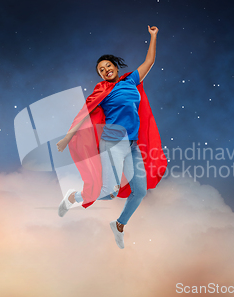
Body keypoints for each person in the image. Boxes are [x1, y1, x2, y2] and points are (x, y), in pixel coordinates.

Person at [56, 25, 165, 249]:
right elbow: (84, 113)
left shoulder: (131, 81)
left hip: (132, 146)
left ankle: (119, 224)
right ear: (100, 75)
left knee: (140, 191)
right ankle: (74, 197)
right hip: (112, 142)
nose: (105, 70)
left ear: (115, 66)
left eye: (108, 66)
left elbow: (150, 61)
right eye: (101, 69)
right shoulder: (102, 90)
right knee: (107, 192)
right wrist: (67, 138)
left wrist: (153, 36)